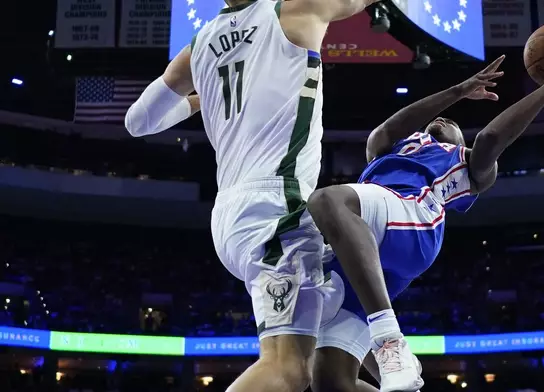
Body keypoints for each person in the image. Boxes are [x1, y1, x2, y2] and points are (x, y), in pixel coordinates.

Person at [122, 0, 423, 391]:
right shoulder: (295, 9)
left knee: (329, 369)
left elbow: (137, 121)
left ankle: (387, 354)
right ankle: (389, 341)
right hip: (277, 210)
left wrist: (203, 98)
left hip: (232, 217)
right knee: (288, 369)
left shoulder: (200, 45)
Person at [307, 48, 544, 392]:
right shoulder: (387, 150)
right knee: (329, 383)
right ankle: (394, 358)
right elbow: (387, 128)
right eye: (440, 121)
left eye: (454, 125)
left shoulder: (468, 164)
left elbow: (490, 138)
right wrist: (458, 90)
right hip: (366, 254)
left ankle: (388, 338)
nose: (444, 122)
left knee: (326, 199)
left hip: (413, 220)